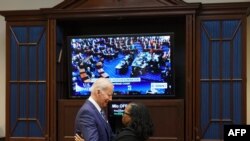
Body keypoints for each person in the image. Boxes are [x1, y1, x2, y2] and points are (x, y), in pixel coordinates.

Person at [75, 102, 154, 141]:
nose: (122, 115)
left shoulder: (127, 137)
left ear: (132, 117)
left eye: (124, 113)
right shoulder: (138, 133)